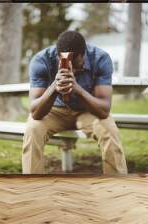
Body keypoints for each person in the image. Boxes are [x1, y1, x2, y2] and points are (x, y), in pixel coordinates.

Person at [22, 30, 128, 174]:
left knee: (109, 129)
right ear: (58, 56)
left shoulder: (100, 58)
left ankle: (117, 185)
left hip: (87, 111)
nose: (71, 68)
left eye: (76, 64)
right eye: (66, 62)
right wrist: (55, 86)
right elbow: (35, 113)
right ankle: (31, 188)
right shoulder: (41, 60)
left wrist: (77, 89)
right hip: (54, 111)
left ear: (83, 54)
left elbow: (104, 110)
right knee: (32, 129)